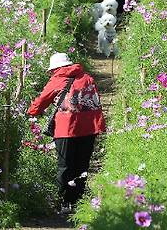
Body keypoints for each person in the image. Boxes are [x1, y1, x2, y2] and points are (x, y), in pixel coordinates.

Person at [27, 52, 106, 214]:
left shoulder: (57, 79)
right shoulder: (87, 78)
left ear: (56, 68)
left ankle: (64, 202)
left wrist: (31, 112)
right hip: (90, 127)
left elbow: (41, 102)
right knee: (82, 164)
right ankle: (77, 201)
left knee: (65, 165)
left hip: (66, 129)